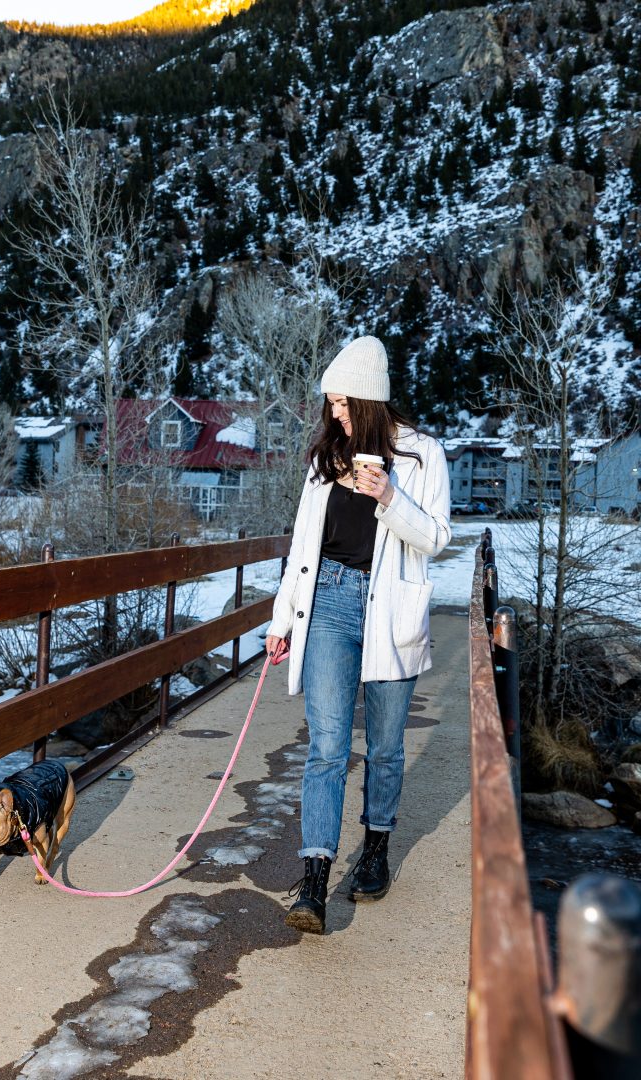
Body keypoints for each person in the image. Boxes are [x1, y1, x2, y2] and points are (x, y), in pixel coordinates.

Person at [265, 335, 450, 935]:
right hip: (330, 604)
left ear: (371, 400)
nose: (336, 414)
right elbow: (301, 550)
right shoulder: (327, 457)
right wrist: (283, 618)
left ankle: (375, 851)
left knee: (387, 746)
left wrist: (388, 497)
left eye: (344, 404)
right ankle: (315, 875)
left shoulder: (422, 457)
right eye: (332, 404)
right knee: (326, 745)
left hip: (390, 607)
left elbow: (437, 539)